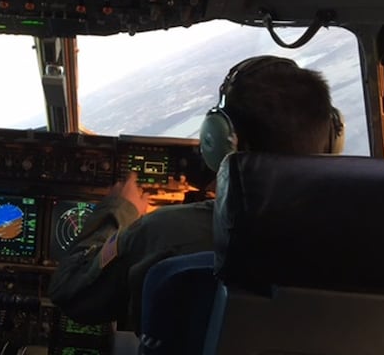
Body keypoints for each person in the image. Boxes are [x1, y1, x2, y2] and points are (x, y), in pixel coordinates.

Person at [48, 55, 345, 331]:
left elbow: (71, 294)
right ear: (332, 138)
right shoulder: (363, 231)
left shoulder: (165, 231)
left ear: (221, 140)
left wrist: (119, 209)